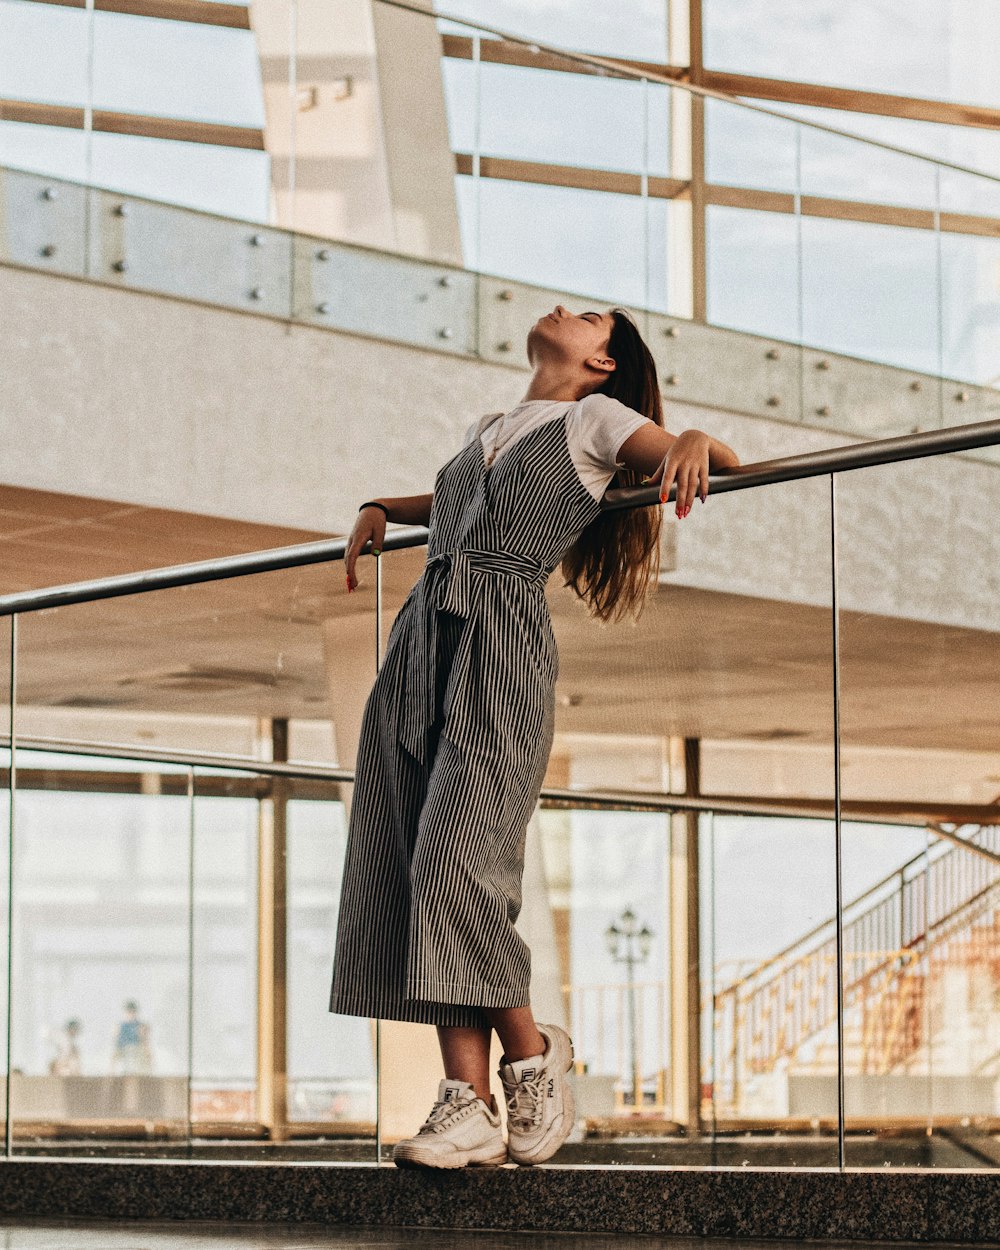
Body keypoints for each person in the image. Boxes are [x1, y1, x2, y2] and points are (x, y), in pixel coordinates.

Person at [329, 304, 740, 1168]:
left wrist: (697, 435)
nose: (564, 309)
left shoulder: (599, 418)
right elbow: (450, 501)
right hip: (421, 642)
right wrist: (380, 505)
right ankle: (466, 1103)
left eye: (588, 317)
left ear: (599, 362)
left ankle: (530, 1054)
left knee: (456, 864)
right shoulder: (493, 425)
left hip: (499, 642)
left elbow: (706, 462)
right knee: (411, 865)